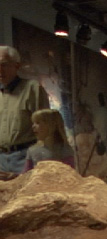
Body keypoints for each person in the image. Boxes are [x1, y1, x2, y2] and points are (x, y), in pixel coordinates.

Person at [0, 46, 50, 174]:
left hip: (25, 157)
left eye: (3, 64)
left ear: (17, 66)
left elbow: (46, 127)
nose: (0, 70)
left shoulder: (32, 89)